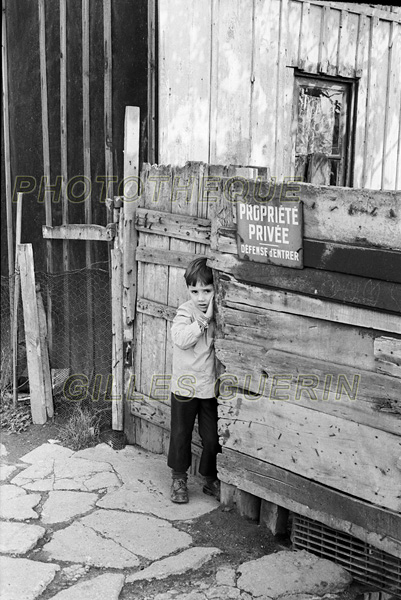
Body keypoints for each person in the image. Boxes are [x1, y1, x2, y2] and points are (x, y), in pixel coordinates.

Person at [167, 257, 221, 504]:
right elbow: (181, 339)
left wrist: (213, 316)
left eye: (207, 291)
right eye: (195, 291)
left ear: (215, 289)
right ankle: (179, 478)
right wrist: (203, 320)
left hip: (208, 387)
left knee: (212, 437)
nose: (201, 297)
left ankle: (210, 478)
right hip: (185, 387)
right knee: (181, 434)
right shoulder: (185, 312)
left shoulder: (219, 312)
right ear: (188, 290)